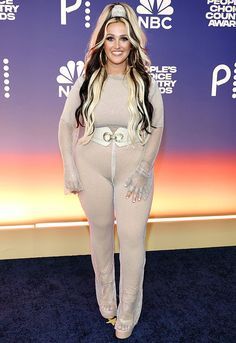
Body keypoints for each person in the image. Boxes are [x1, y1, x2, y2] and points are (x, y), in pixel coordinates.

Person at [58, 2, 164, 339]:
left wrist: (144, 168)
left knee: (133, 239)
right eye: (110, 38)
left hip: (134, 170)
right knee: (101, 233)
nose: (117, 44)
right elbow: (64, 125)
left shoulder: (145, 80)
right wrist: (70, 168)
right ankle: (107, 299)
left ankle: (128, 309)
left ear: (132, 42)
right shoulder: (87, 79)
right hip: (91, 165)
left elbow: (157, 127)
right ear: (101, 42)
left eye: (123, 38)